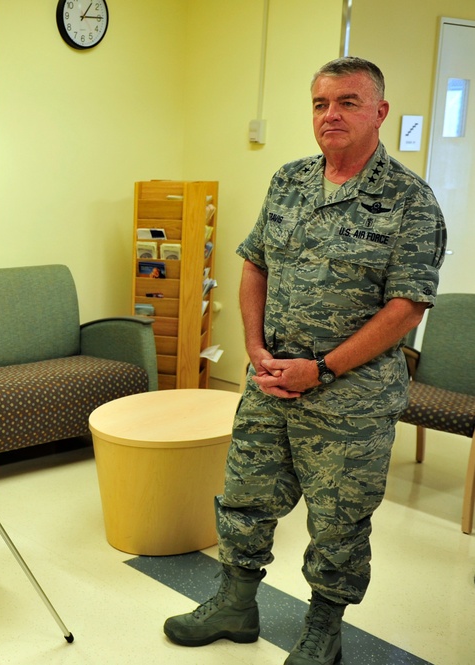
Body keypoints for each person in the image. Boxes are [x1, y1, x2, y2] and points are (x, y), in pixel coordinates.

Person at [163, 57, 446, 665]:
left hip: (351, 398)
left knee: (339, 521)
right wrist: (257, 348)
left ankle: (324, 629)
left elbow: (406, 306)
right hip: (270, 381)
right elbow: (254, 263)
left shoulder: (409, 200)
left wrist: (322, 370)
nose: (331, 115)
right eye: (320, 104)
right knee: (245, 495)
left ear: (379, 112)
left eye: (346, 102)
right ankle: (235, 604)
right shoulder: (288, 181)